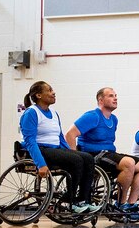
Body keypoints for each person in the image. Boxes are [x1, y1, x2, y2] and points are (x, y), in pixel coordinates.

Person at [66, 87, 139, 217]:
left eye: (116, 95)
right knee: (128, 163)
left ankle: (131, 203)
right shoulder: (92, 116)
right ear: (101, 100)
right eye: (111, 96)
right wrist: (75, 157)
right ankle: (120, 203)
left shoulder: (114, 119)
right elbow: (70, 135)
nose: (115, 98)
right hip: (92, 154)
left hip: (108, 153)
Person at [19, 80, 100, 215]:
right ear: (39, 95)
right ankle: (70, 201)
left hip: (55, 149)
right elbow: (30, 141)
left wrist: (72, 152)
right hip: (40, 150)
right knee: (76, 161)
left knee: (87, 158)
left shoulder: (54, 113)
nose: (53, 92)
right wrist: (41, 165)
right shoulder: (31, 113)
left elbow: (60, 139)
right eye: (50, 90)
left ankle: (84, 200)